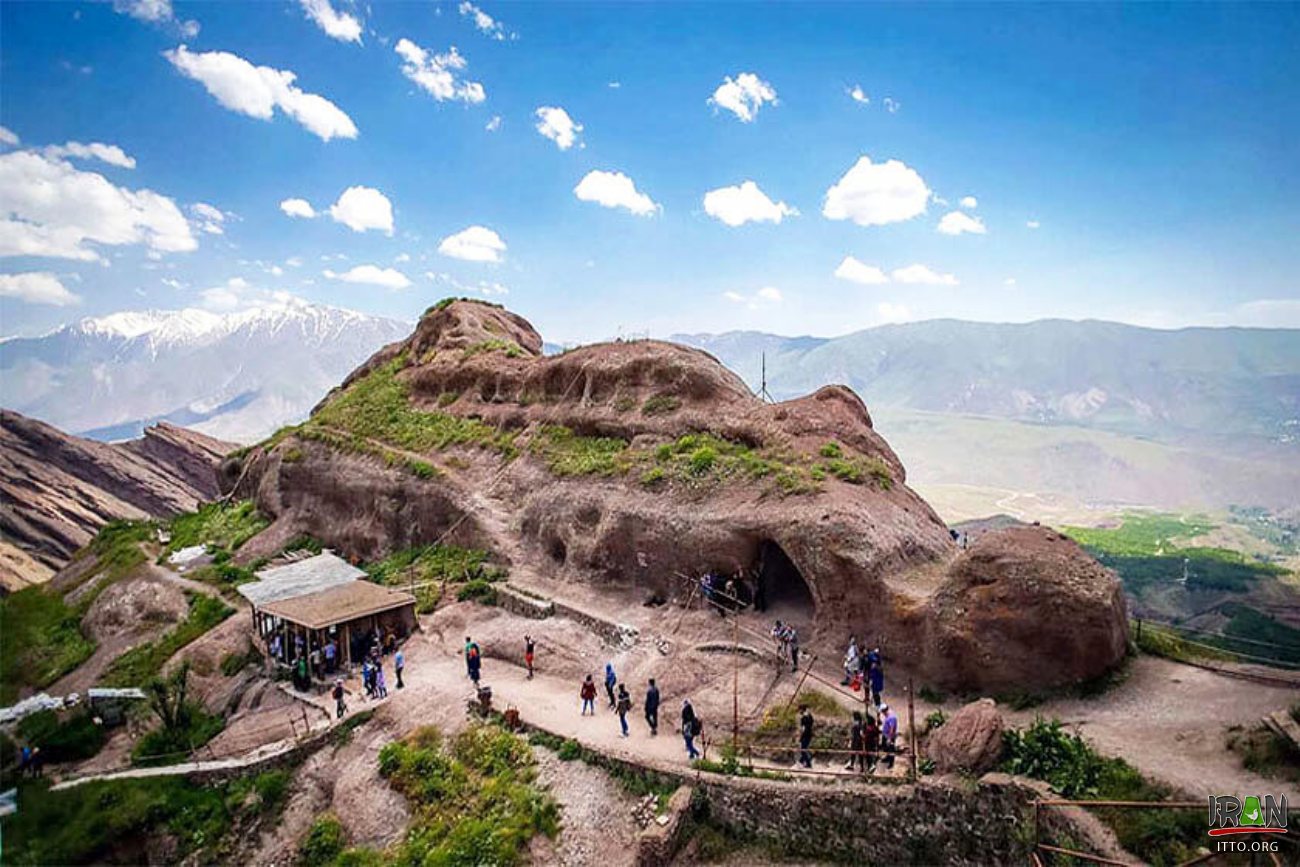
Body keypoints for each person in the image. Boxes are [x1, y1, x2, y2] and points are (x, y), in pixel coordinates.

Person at [881, 704, 898, 769]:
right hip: (885, 735)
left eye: (882, 712)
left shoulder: (891, 717)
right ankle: (887, 758)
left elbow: (892, 728)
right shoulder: (888, 716)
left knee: (891, 750)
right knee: (886, 748)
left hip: (890, 736)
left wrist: (890, 738)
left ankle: (891, 763)